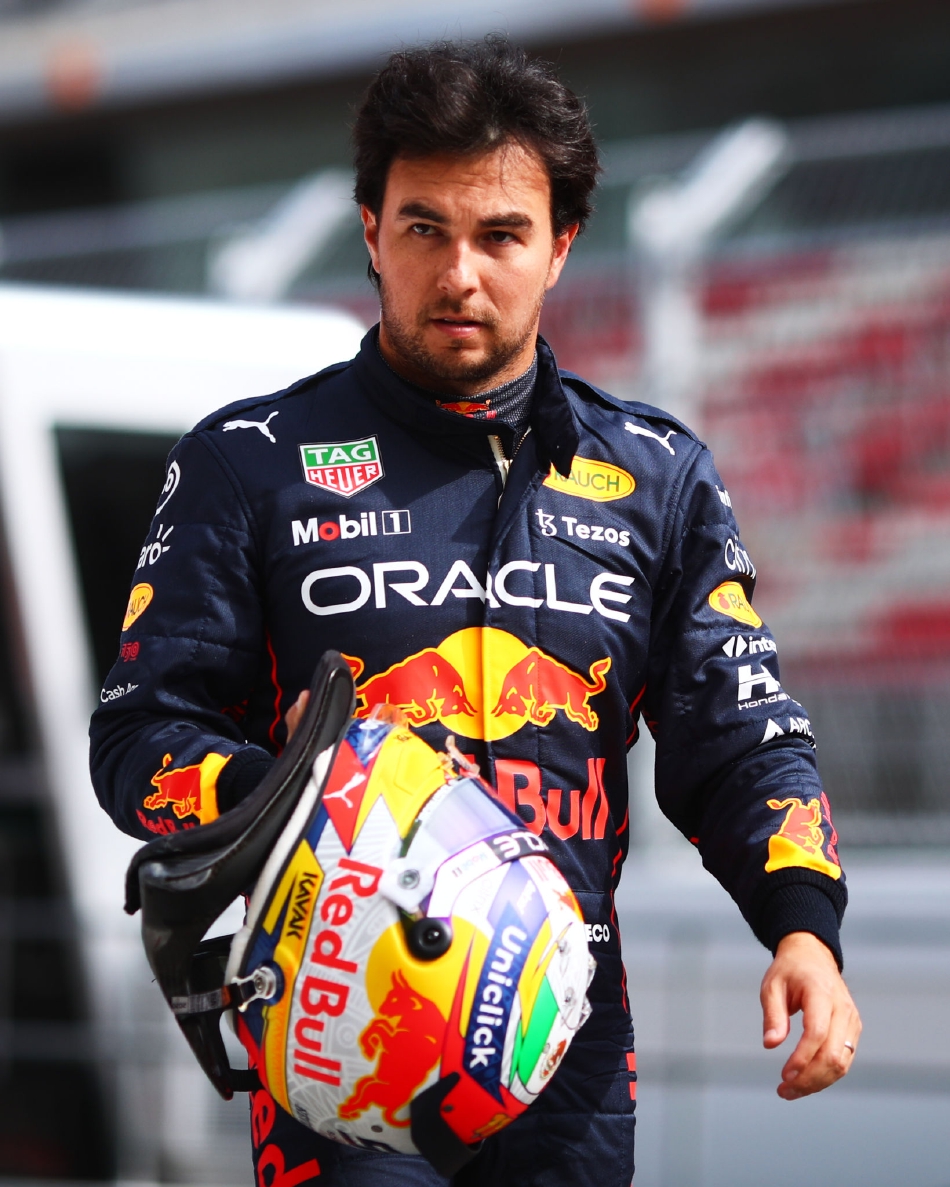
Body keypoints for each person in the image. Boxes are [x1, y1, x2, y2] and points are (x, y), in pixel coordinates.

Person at [90, 37, 861, 1187]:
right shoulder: (248, 460)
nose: (459, 273)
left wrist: (801, 924)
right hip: (335, 1025)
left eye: (500, 234)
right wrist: (291, 799)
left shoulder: (657, 474)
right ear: (369, 233)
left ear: (559, 246)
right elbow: (136, 737)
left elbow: (739, 736)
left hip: (566, 1031)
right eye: (424, 229)